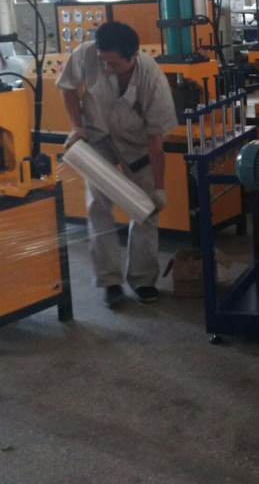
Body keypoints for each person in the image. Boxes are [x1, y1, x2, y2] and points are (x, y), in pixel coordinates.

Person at [57, 21, 178, 308]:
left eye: (114, 64)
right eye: (104, 61)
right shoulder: (86, 54)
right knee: (98, 206)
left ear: (133, 55)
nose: (107, 67)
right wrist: (76, 126)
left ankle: (143, 279)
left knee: (146, 208)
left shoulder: (152, 79)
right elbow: (67, 87)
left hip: (138, 144)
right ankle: (110, 281)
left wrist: (160, 187)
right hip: (98, 138)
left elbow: (155, 139)